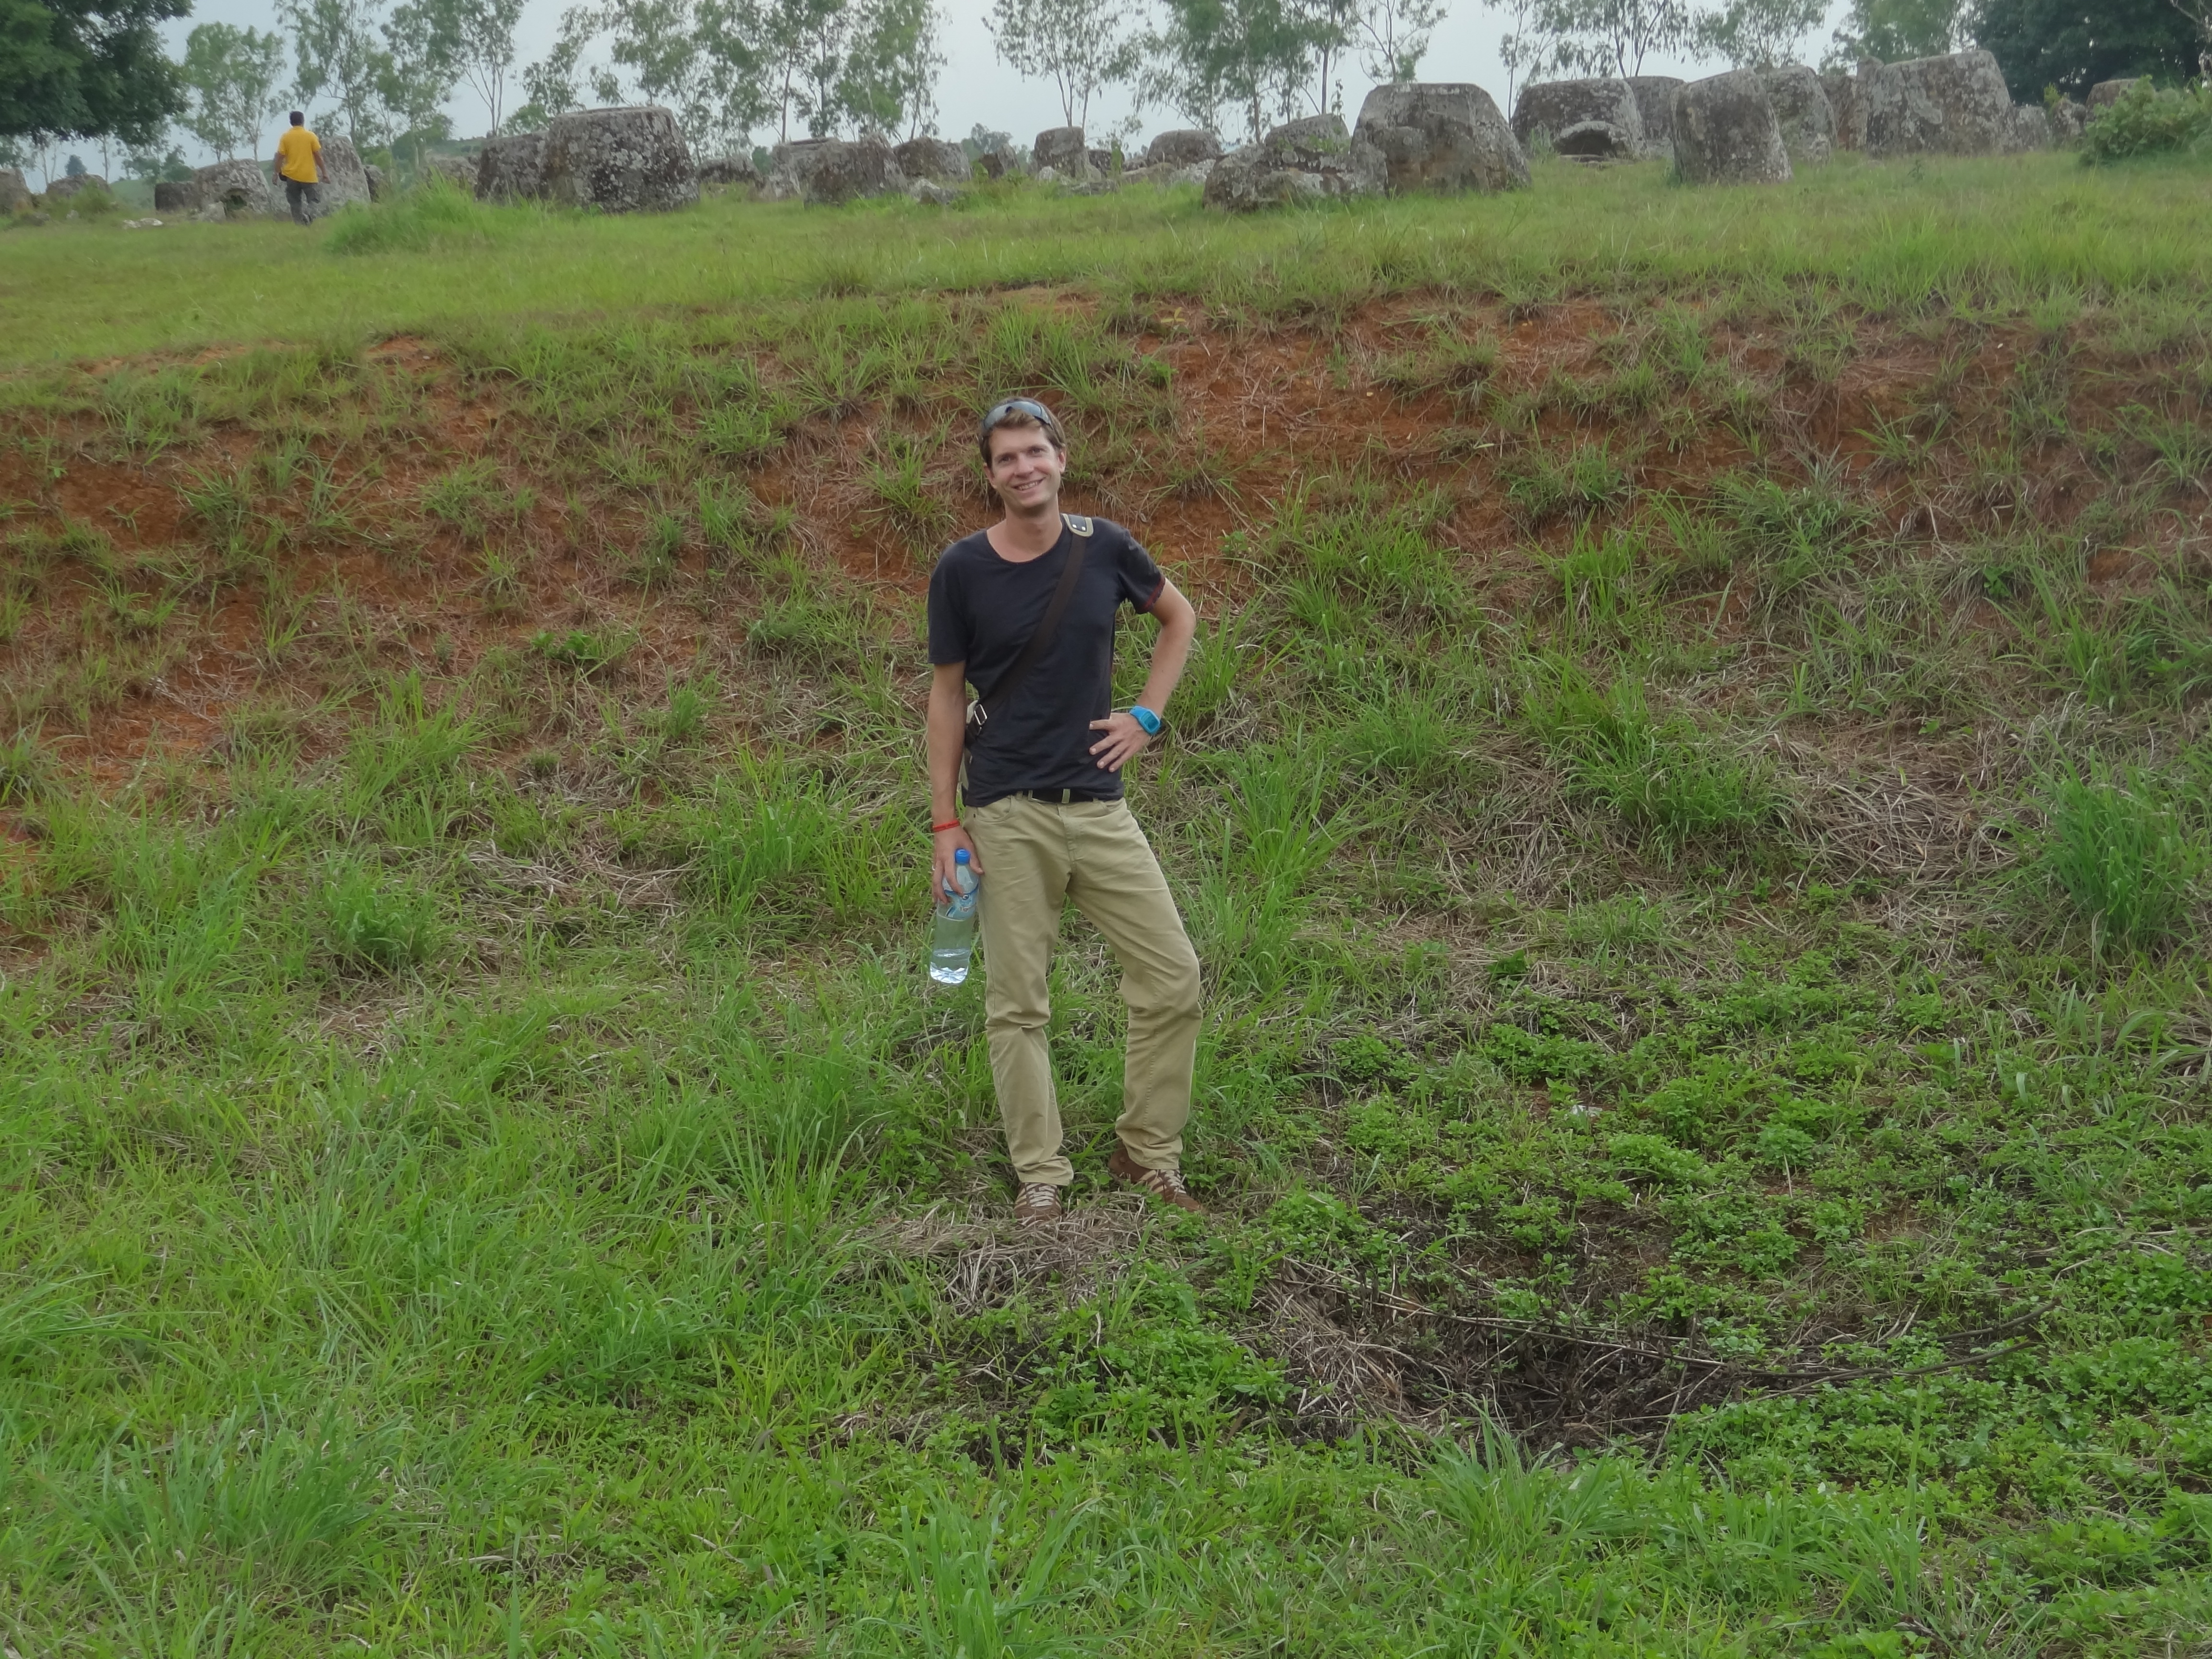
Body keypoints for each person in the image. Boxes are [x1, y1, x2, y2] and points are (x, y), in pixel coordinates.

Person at [926, 398, 1205, 1226]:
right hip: (1006, 812)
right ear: (990, 476)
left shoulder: (1105, 547)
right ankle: (1040, 1175)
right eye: (1006, 458)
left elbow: (1178, 617)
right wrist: (945, 822)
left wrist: (1147, 715)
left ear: (1060, 459)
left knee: (1173, 977)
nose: (1024, 468)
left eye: (1035, 452)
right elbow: (946, 696)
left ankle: (1147, 1154)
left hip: (1098, 808)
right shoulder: (962, 570)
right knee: (1018, 1003)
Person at [274, 112, 322, 226]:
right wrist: (325, 173)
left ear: (291, 122)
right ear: (303, 121)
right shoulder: (311, 136)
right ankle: (309, 215)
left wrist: (276, 173)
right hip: (308, 175)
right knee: (314, 200)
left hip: (291, 176)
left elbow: (280, 156)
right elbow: (318, 156)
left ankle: (299, 224)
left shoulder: (285, 137)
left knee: (295, 202)